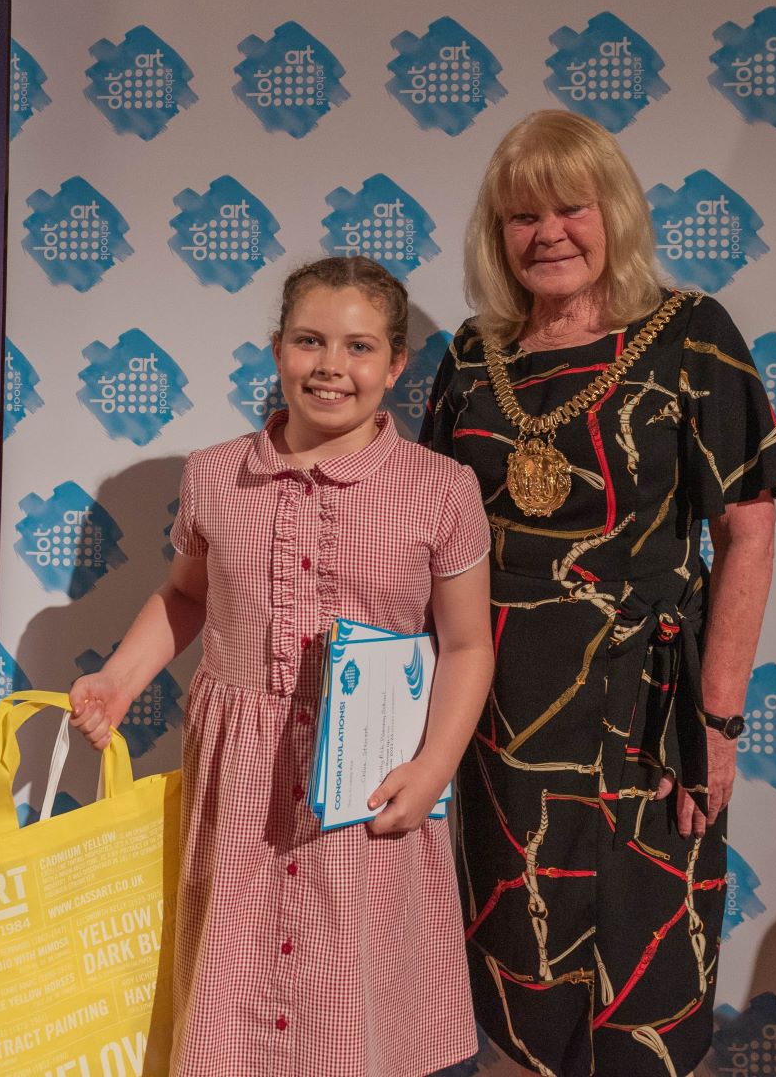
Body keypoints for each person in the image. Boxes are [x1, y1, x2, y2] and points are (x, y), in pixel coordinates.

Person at [420, 110, 776, 1076]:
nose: (547, 233)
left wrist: (718, 722)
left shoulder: (693, 335)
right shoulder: (472, 354)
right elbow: (421, 525)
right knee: (521, 945)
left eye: (569, 207)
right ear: (495, 236)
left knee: (648, 968)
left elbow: (748, 532)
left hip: (649, 705)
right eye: (521, 216)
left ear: (614, 214)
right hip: (497, 708)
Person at [68, 256, 494, 1076]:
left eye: (359, 347)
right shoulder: (215, 477)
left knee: (358, 1006)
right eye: (310, 341)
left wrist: (434, 768)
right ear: (276, 350)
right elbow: (186, 596)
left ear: (396, 365)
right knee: (235, 998)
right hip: (245, 782)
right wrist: (120, 679)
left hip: (371, 779)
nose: (332, 366)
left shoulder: (441, 491)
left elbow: (469, 645)